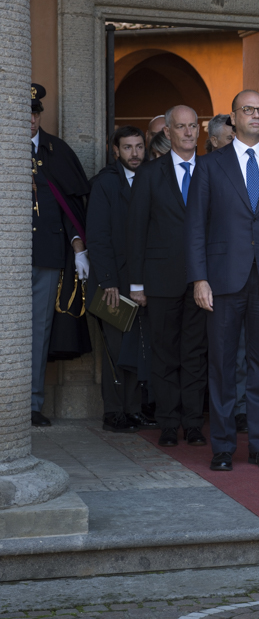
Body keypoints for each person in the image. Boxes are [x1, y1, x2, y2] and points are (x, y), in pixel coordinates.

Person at [187, 90, 259, 472]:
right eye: (247, 110)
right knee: (222, 365)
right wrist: (199, 278)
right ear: (232, 119)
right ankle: (222, 447)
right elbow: (195, 228)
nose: (255, 115)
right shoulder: (209, 165)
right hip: (222, 279)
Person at [128, 105, 208, 448]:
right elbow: (136, 230)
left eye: (193, 127)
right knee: (163, 354)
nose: (188, 132)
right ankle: (167, 422)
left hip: (203, 280)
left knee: (196, 353)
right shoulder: (150, 173)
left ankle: (192, 422)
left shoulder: (212, 170)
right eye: (181, 127)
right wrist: (136, 283)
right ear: (169, 133)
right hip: (160, 279)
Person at [87, 125, 158, 433]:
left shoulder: (154, 179)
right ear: (115, 150)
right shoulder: (105, 184)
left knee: (138, 348)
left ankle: (134, 409)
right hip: (112, 282)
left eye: (139, 147)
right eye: (127, 147)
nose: (135, 153)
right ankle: (114, 412)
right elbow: (98, 237)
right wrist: (107, 282)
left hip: (143, 281)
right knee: (116, 350)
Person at [29, 83, 91, 426]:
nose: (31, 120)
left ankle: (32, 404)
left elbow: (71, 208)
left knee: (39, 331)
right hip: (9, 259)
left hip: (49, 255)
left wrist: (79, 248)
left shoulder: (56, 150)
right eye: (26, 114)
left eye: (35, 113)